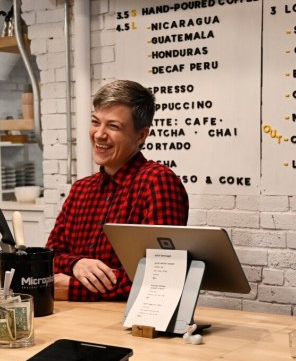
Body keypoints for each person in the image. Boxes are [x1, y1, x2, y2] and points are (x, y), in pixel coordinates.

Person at [46, 80, 189, 301]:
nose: (99, 134)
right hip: (72, 320)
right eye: (95, 122)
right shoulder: (81, 190)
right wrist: (76, 264)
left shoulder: (157, 182)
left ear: (141, 135)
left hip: (131, 326)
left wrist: (73, 288)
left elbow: (161, 274)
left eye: (113, 126)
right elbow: (50, 257)